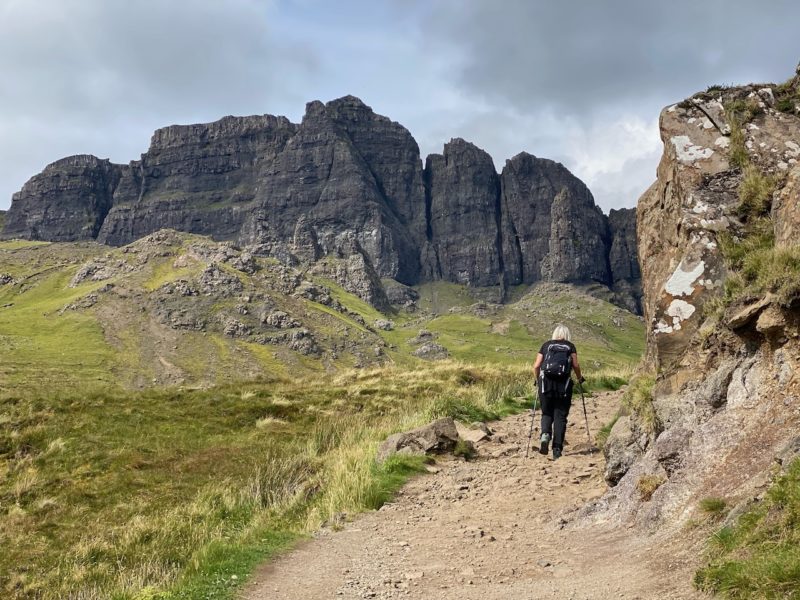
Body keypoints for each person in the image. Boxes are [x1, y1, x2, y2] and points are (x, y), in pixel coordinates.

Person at [533, 324, 584, 460]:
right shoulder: (570, 346)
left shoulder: (546, 345)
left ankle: (545, 435)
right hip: (564, 385)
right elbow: (576, 365)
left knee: (546, 412)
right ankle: (556, 450)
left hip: (545, 383)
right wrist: (579, 378)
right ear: (567, 335)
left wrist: (537, 379)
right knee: (560, 416)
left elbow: (536, 365)